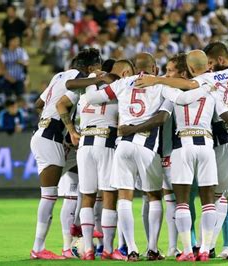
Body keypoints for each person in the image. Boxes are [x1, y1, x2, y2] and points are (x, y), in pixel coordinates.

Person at [80, 52, 219, 261]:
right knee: (154, 196)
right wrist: (207, 87)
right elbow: (182, 99)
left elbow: (92, 98)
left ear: (136, 68)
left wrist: (96, 79)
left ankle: (132, 249)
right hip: (147, 147)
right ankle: (153, 248)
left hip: (123, 146)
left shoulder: (124, 83)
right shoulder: (160, 85)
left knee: (125, 198)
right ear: (154, 69)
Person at [134, 42, 228, 260]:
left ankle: (188, 251)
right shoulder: (215, 86)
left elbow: (179, 99)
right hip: (207, 146)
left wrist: (157, 80)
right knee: (210, 200)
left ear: (188, 69)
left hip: (183, 146)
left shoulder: (171, 90)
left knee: (181, 201)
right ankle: (206, 249)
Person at [61, 59, 135, 260]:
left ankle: (88, 250)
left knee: (87, 197)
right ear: (125, 72)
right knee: (109, 195)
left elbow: (66, 97)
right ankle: (109, 250)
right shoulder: (120, 88)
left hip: (85, 144)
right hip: (106, 142)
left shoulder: (88, 86)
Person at [28, 50, 97, 260]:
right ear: (90, 67)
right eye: (97, 68)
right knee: (48, 195)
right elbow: (70, 87)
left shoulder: (58, 75)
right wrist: (71, 130)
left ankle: (73, 232)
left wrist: (49, 123)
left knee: (78, 168)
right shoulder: (74, 78)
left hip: (49, 135)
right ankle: (38, 248)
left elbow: (38, 105)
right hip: (50, 138)